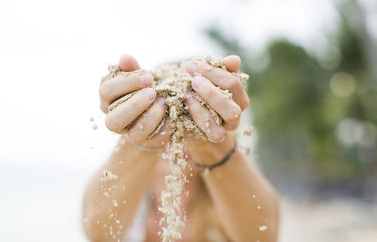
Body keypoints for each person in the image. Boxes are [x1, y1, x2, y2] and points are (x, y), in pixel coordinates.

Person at [82, 54, 280, 242]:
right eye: (168, 118)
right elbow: (96, 230)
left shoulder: (226, 201)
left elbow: (262, 234)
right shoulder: (134, 201)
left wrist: (210, 140)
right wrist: (141, 135)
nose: (179, 137)